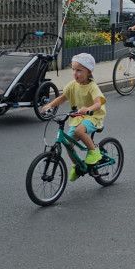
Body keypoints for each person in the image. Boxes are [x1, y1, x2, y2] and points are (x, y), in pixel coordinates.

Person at [39, 53, 106, 181]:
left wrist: (88, 109)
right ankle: (77, 165)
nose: (75, 73)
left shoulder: (92, 87)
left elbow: (98, 103)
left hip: (93, 116)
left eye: (79, 70)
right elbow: (62, 98)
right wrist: (50, 105)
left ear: (89, 72)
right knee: (68, 143)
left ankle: (94, 152)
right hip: (78, 117)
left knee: (79, 131)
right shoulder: (72, 85)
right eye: (73, 69)